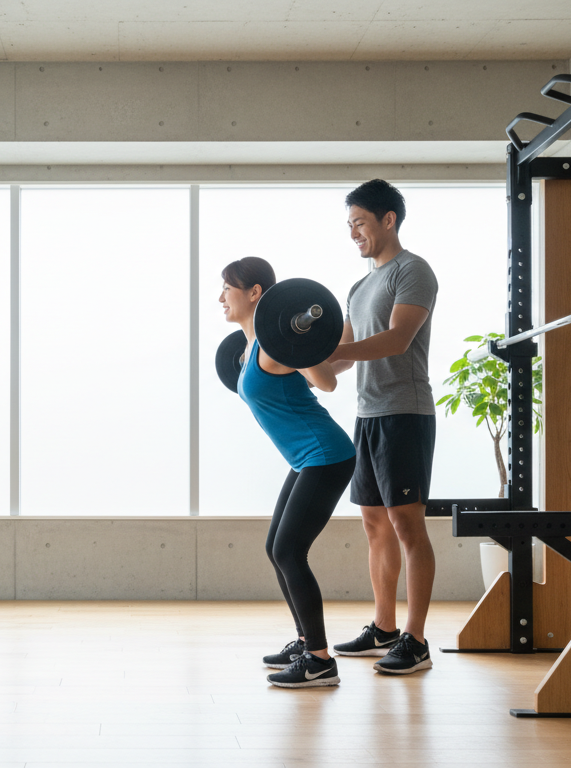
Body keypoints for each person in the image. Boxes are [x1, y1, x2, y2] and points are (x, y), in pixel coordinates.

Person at [219, 256, 357, 689]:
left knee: (288, 551)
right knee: (275, 547)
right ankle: (305, 642)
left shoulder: (278, 344)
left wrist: (304, 343)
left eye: (228, 287)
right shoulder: (249, 349)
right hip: (305, 459)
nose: (220, 296)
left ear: (255, 292)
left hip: (326, 455)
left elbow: (327, 383)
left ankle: (319, 661)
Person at [326, 180, 439, 675]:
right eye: (349, 225)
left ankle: (415, 640)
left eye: (359, 222)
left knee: (407, 525)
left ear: (388, 219)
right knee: (374, 524)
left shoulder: (412, 271)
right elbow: (340, 364)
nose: (353, 233)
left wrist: (332, 352)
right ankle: (385, 627)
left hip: (405, 413)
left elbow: (395, 340)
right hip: (368, 415)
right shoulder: (357, 287)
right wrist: (297, 358)